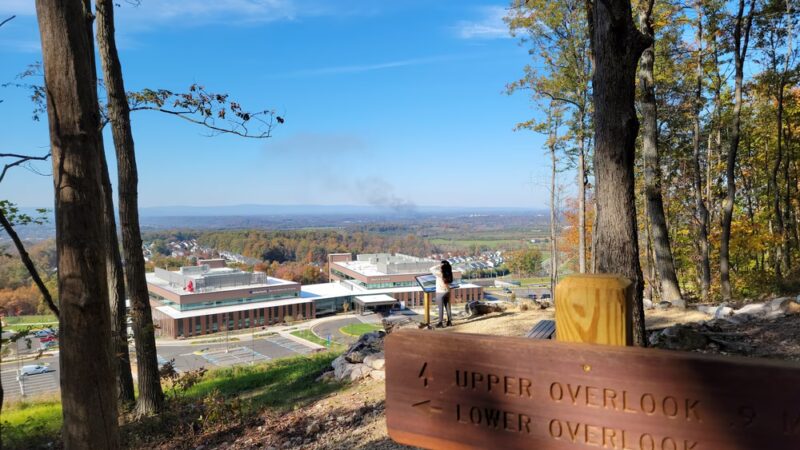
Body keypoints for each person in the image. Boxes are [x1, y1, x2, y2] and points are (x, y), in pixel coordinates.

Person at [430, 260, 454, 327]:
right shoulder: (449, 273)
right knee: (448, 308)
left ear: (442, 266)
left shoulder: (439, 273)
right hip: (447, 291)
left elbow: (431, 269)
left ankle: (440, 323)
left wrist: (438, 265)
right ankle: (449, 322)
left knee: (440, 308)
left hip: (440, 292)